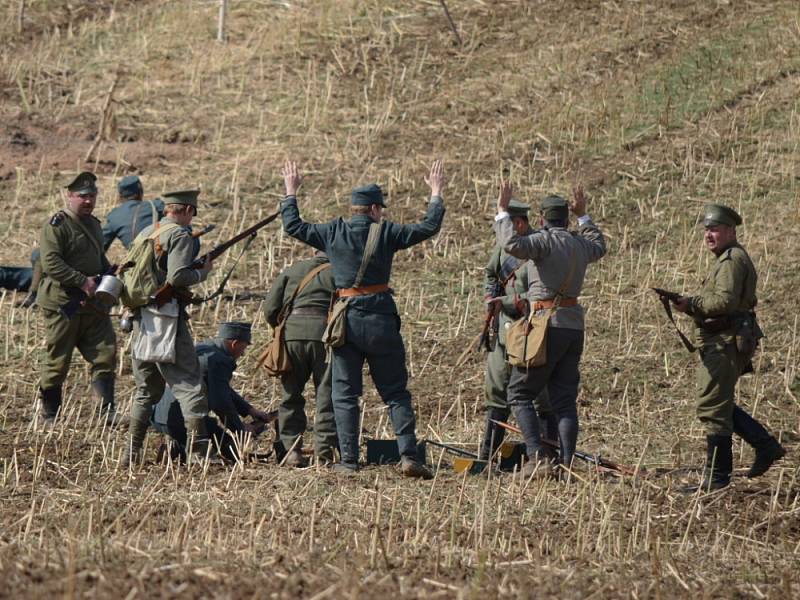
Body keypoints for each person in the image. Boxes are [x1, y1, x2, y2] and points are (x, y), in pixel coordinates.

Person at [280, 159, 446, 478]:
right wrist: (436, 193)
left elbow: (294, 226)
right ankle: (409, 456)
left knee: (345, 395)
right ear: (372, 209)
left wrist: (291, 191)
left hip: (346, 321)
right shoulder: (388, 233)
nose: (381, 214)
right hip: (381, 318)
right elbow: (428, 227)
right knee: (395, 392)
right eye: (380, 209)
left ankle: (349, 461)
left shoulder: (332, 231)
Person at [495, 183, 606, 478]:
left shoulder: (543, 241)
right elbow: (599, 245)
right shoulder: (580, 244)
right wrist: (584, 217)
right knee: (564, 400)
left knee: (519, 392)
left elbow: (511, 245)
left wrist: (502, 213)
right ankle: (567, 465)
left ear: (542, 218)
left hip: (546, 326)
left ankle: (537, 459)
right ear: (566, 219)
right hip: (574, 327)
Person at [671, 204, 785, 490]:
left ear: (731, 231)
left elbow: (724, 302)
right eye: (707, 230)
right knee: (715, 403)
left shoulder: (732, 260)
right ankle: (764, 446)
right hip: (723, 340)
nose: (709, 235)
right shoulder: (727, 257)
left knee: (712, 407)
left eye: (715, 229)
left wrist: (691, 305)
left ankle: (719, 478)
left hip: (724, 341)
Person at [122, 189, 217, 467]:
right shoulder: (179, 235)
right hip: (165, 320)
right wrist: (203, 272)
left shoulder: (147, 233)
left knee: (145, 390)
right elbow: (177, 277)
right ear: (187, 210)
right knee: (190, 385)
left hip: (141, 318)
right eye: (193, 212)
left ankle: (131, 453)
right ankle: (199, 454)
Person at [37, 172, 117, 425]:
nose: (88, 200)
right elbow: (50, 262)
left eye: (92, 195)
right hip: (64, 304)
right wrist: (82, 281)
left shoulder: (93, 223)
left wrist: (108, 273)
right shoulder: (56, 225)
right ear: (69, 196)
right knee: (58, 361)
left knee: (106, 353)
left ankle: (106, 413)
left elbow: (99, 256)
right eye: (82, 196)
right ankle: (50, 414)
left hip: (93, 304)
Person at [481, 197, 556, 464]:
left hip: (532, 330)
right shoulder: (503, 250)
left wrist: (510, 302)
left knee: (538, 396)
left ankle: (546, 455)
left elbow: (540, 293)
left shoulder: (538, 250)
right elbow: (491, 274)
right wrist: (491, 299)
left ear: (520, 224)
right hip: (504, 330)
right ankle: (488, 457)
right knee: (497, 390)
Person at [152, 322, 274, 462]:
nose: (244, 353)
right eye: (244, 347)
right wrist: (240, 429)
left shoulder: (202, 349)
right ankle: (180, 450)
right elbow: (220, 402)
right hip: (181, 419)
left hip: (159, 416)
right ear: (234, 344)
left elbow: (222, 389)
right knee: (224, 443)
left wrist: (249, 410)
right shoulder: (219, 360)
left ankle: (175, 448)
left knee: (211, 429)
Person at [263, 251, 338, 467]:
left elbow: (270, 308)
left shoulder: (292, 270)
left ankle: (291, 451)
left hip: (292, 336)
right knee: (326, 396)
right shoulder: (340, 271)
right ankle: (324, 454)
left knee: (290, 395)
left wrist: (282, 330)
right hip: (326, 336)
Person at [102, 175, 165, 251]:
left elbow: (100, 246)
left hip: (136, 261)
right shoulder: (156, 206)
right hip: (163, 258)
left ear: (120, 196)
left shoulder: (114, 216)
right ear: (140, 192)